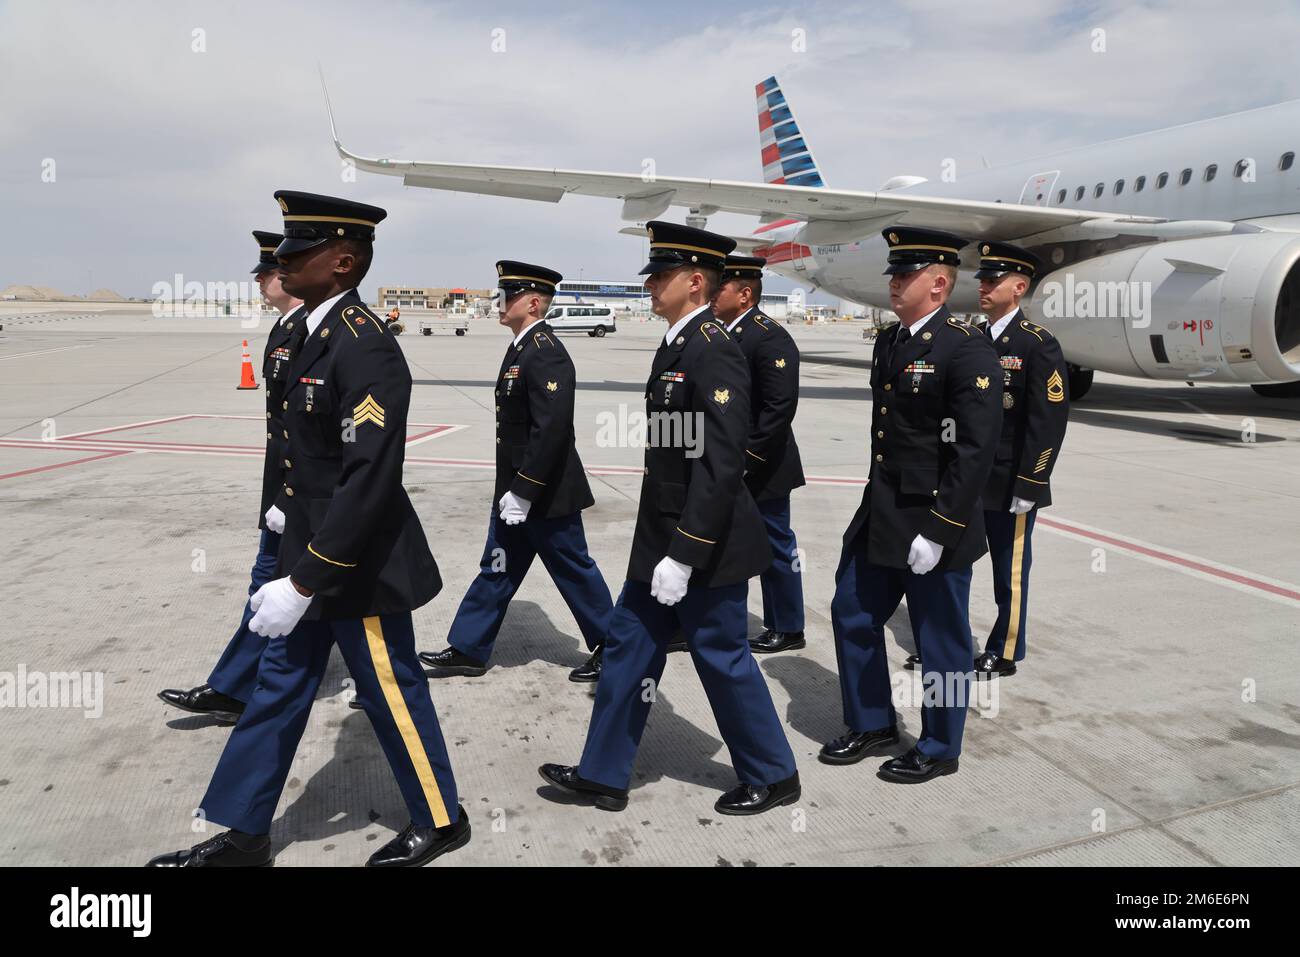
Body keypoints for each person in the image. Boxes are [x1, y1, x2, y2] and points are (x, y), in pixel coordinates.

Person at [148, 192, 467, 867]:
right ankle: (243, 832)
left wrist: (304, 578)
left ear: (344, 261)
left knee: (390, 691)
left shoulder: (365, 347)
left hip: (358, 564)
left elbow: (368, 479)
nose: (283, 260)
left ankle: (441, 818)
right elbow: (300, 450)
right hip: (309, 552)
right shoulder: (302, 334)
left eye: (300, 249)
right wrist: (283, 515)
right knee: (278, 686)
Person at [538, 222, 799, 815]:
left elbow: (721, 460)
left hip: (704, 542)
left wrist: (685, 551)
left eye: (661, 275)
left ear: (696, 280)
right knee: (628, 647)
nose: (651, 284)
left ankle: (774, 773)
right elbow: (673, 446)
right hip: (662, 533)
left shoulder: (714, 348)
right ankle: (604, 774)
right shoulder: (677, 345)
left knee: (722, 656)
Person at [820, 226, 1001, 783]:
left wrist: (942, 528)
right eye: (894, 274)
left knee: (940, 639)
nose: (894, 283)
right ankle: (873, 721)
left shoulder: (966, 347)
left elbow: (975, 450)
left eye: (906, 274)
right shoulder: (891, 341)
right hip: (883, 510)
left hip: (934, 520)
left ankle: (940, 745)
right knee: (851, 611)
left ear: (940, 283)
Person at [419, 261, 614, 683]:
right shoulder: (522, 347)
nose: (499, 304)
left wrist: (525, 489)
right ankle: (469, 649)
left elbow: (552, 427)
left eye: (507, 296)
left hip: (546, 493)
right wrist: (512, 492)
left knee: (574, 569)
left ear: (531, 301)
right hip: (514, 494)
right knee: (497, 566)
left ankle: (614, 650)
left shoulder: (545, 351)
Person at [157, 230, 305, 723]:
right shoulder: (284, 329)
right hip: (282, 492)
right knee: (273, 585)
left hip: (300, 495)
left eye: (267, 272)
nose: (261, 281)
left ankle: (235, 687)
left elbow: (309, 432)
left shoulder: (311, 330)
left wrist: (289, 496)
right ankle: (237, 685)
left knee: (281, 586)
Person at [711, 254, 806, 654]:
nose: (713, 295)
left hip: (762, 466)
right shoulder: (718, 333)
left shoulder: (769, 337)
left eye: (721, 288)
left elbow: (778, 409)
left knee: (773, 544)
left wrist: (747, 461)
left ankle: (788, 625)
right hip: (725, 463)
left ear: (745, 294)